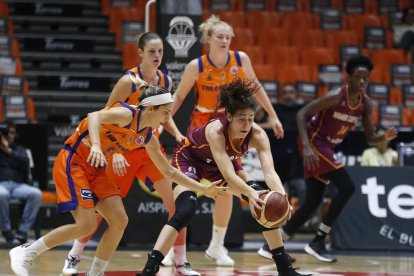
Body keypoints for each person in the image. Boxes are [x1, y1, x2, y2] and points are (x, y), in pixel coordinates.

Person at [9, 83, 223, 276]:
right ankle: (26, 252)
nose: (167, 119)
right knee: (86, 225)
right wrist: (95, 145)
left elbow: (170, 172)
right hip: (74, 162)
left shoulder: (148, 137)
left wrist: (204, 189)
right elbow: (94, 116)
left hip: (97, 170)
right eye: (165, 113)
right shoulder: (127, 114)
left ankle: (96, 273)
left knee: (119, 220)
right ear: (150, 109)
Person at [138, 78, 310, 276]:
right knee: (185, 210)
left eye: (251, 118)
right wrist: (249, 192)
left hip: (220, 164)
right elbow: (228, 174)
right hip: (190, 159)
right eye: (241, 119)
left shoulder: (258, 135)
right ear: (229, 116)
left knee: (263, 202)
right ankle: (150, 269)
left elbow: (270, 173)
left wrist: (281, 196)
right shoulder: (216, 131)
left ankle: (284, 268)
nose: (247, 124)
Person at [61, 32, 199, 276]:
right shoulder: (128, 81)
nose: (157, 56)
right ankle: (74, 256)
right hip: (122, 152)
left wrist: (177, 134)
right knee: (102, 210)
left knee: (176, 205)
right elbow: (106, 116)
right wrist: (113, 152)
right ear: (140, 53)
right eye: (152, 52)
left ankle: (181, 262)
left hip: (148, 148)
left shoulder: (165, 80)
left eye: (160, 52)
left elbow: (164, 115)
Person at [169, 14, 284, 266]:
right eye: (219, 36)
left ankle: (217, 246)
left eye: (228, 37)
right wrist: (162, 122)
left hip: (230, 131)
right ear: (208, 39)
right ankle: (172, 247)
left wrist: (274, 116)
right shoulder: (195, 66)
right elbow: (177, 98)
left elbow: (256, 87)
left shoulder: (240, 60)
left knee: (227, 191)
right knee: (187, 189)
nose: (224, 40)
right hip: (201, 132)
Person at [280, 56, 398, 263]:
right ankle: (318, 241)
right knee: (348, 187)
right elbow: (302, 113)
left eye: (366, 78)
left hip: (325, 147)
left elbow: (371, 138)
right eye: (358, 77)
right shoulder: (336, 96)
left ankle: (274, 245)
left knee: (313, 200)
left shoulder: (366, 104)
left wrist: (384, 137)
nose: (362, 82)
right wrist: (307, 146)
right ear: (349, 78)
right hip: (314, 143)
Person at [257, 83, 307, 260]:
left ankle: (302, 224)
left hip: (296, 162)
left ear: (296, 93)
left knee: (304, 193)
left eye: (291, 91)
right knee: (272, 200)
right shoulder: (275, 110)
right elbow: (259, 122)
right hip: (276, 161)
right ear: (280, 95)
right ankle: (272, 238)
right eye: (285, 92)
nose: (288, 95)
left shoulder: (301, 111)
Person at [0, 119, 42, 245]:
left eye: (12, 133)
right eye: (6, 133)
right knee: (1, 195)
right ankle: (6, 231)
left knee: (36, 194)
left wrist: (9, 151)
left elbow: (25, 161)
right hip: (1, 185)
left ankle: (22, 231)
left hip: (18, 186)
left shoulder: (19, 149)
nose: (9, 136)